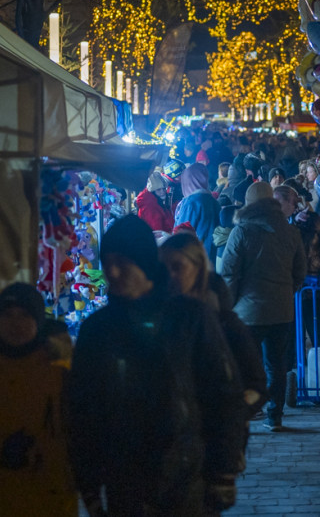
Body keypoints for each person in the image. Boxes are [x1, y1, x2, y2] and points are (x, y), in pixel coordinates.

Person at [68, 216, 246, 516]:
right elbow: (82, 408)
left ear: (143, 262)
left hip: (188, 474)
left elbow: (223, 394)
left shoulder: (189, 317)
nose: (112, 271)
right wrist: (87, 483)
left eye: (122, 262)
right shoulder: (97, 330)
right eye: (107, 262)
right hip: (124, 479)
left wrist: (223, 473)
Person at [0, 283, 78, 517]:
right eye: (7, 315)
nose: (15, 324)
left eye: (24, 315)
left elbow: (79, 434)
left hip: (51, 500)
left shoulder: (60, 374)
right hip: (0, 501)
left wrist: (43, 453)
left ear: (38, 321)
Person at [220, 181, 307, 432]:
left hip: (248, 312)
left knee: (246, 362)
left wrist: (229, 304)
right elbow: (300, 271)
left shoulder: (243, 231)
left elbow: (229, 272)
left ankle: (251, 408)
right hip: (281, 310)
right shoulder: (290, 231)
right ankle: (275, 415)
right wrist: (285, 291)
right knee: (277, 364)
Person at [159, 233, 268, 417]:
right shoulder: (157, 317)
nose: (171, 275)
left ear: (198, 268)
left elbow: (256, 383)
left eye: (178, 267)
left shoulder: (224, 320)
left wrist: (230, 415)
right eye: (164, 268)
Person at [275, 184, 320, 348]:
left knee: (317, 331)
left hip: (312, 285)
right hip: (287, 288)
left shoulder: (313, 220)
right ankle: (293, 371)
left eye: (278, 202)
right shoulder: (277, 224)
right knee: (291, 336)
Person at [176, 162, 222, 263]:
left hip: (194, 257)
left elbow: (180, 233)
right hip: (212, 256)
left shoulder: (191, 203)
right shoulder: (213, 201)